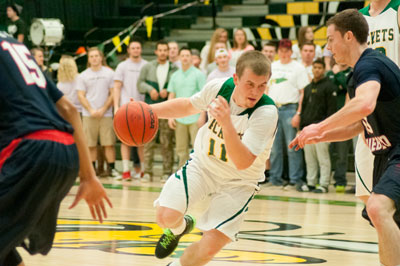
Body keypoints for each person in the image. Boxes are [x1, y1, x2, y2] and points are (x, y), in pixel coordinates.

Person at [289, 9, 400, 266]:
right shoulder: (355, 75)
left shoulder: (370, 64)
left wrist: (318, 126)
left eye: (330, 39)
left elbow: (364, 105)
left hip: (397, 152)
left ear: (348, 36)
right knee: (383, 219)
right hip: (386, 155)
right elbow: (359, 126)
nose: (327, 48)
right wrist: (323, 135)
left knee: (377, 208)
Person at [150, 50, 277, 266]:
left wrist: (226, 123)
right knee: (165, 217)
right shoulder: (219, 87)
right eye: (250, 84)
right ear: (235, 79)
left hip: (239, 182)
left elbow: (243, 161)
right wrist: (148, 110)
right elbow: (187, 106)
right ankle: (180, 228)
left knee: (209, 248)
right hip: (203, 166)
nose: (255, 91)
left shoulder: (265, 112)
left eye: (262, 85)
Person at [0, 31, 111, 266]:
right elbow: (70, 110)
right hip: (64, 152)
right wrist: (88, 176)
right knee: (5, 245)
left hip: (28, 151)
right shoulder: (13, 44)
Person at [266, 39, 309, 190]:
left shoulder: (298, 68)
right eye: (282, 51)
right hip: (273, 109)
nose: (284, 54)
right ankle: (275, 178)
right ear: (278, 51)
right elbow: (266, 88)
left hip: (290, 108)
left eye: (287, 51)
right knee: (274, 148)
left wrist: (299, 113)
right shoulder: (272, 66)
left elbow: (303, 92)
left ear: (291, 52)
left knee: (292, 147)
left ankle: (295, 179)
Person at [137, 40, 178, 182]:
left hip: (167, 110)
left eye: (164, 50)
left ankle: (167, 171)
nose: (162, 53)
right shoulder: (148, 67)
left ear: (168, 52)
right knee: (148, 142)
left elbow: (177, 88)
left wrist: (169, 90)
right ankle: (147, 171)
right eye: (159, 50)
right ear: (156, 52)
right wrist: (151, 90)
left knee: (167, 142)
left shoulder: (174, 69)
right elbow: (140, 84)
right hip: (150, 110)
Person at [77, 47, 119, 178]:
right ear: (88, 59)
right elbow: (81, 95)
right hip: (88, 115)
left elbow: (113, 93)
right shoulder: (83, 75)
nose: (94, 58)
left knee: (109, 143)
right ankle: (92, 170)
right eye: (91, 56)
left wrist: (103, 109)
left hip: (105, 114)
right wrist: (91, 110)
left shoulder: (109, 73)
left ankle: (111, 169)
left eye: (96, 56)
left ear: (101, 58)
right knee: (90, 144)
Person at [297, 58, 337, 193]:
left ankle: (324, 184)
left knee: (323, 158)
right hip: (307, 129)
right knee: (310, 158)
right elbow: (304, 109)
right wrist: (301, 129)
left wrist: (327, 128)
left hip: (322, 130)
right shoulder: (308, 88)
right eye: (315, 68)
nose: (317, 70)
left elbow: (332, 110)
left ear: (324, 70)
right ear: (312, 69)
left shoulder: (329, 86)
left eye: (320, 68)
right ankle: (311, 182)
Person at [114, 39, 148, 181]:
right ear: (128, 50)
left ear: (141, 49)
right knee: (125, 141)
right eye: (133, 48)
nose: (135, 50)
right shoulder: (122, 66)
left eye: (138, 47)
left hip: (142, 108)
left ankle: (143, 171)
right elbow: (116, 87)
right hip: (125, 108)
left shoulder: (147, 65)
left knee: (142, 140)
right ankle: (126, 170)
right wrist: (116, 107)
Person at [167, 47, 206, 169]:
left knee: (197, 148)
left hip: (195, 117)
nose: (185, 58)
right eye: (182, 55)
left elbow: (205, 97)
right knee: (181, 149)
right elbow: (171, 95)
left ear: (191, 58)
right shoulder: (175, 75)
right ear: (179, 58)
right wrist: (170, 116)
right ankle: (181, 173)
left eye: (187, 55)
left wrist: (202, 117)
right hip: (179, 117)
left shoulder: (199, 74)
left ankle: (198, 173)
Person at [326, 61, 352, 192]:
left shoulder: (351, 72)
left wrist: (338, 74)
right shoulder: (329, 73)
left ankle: (340, 181)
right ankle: (323, 181)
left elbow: (348, 87)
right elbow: (329, 89)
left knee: (342, 153)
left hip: (344, 120)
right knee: (327, 152)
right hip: (328, 118)